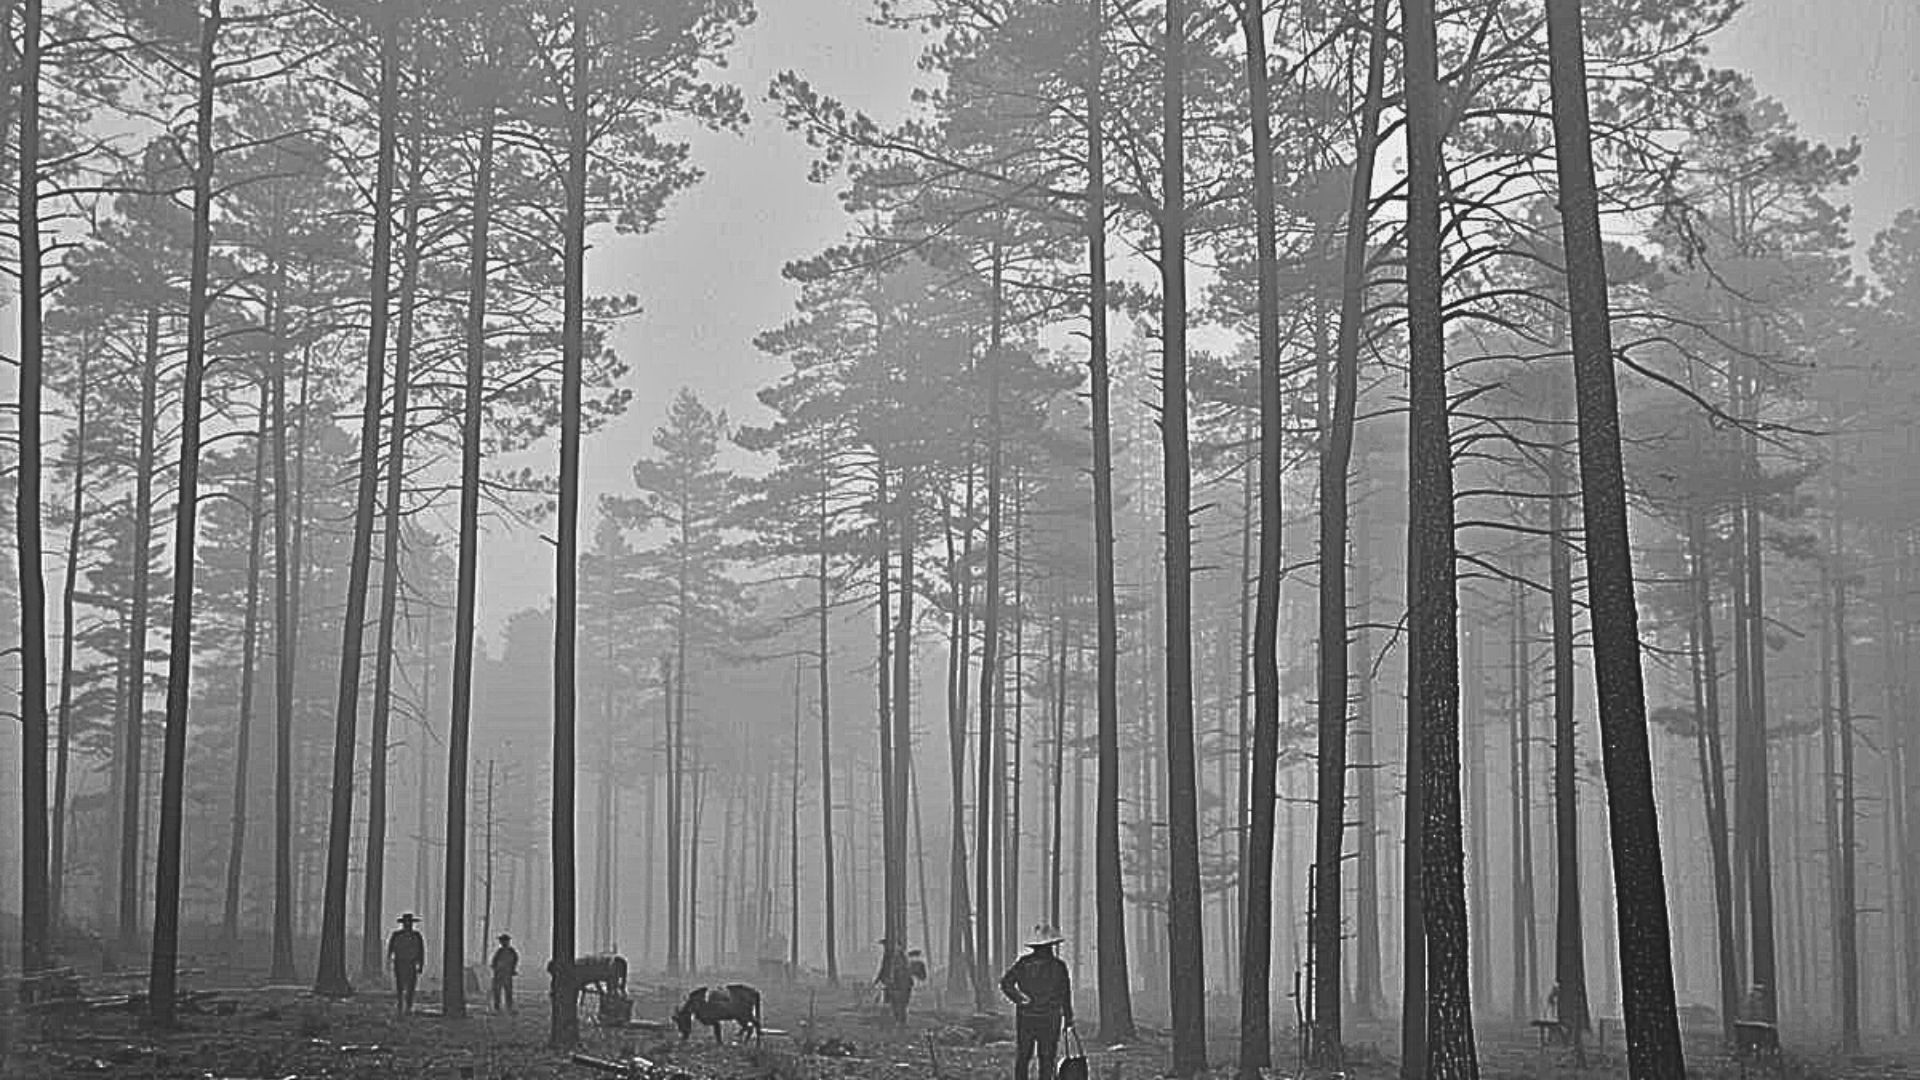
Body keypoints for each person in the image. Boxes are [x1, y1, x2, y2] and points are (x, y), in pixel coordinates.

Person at [1000, 924, 1074, 1080]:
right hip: (1050, 1018)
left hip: (1028, 1016)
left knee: (1024, 1056)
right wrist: (1068, 1018)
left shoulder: (1023, 963)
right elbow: (1065, 994)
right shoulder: (1059, 966)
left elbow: (1006, 983)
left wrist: (1020, 999)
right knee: (1046, 1058)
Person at [386, 913, 426, 1016]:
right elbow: (391, 949)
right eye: (406, 923)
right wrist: (389, 960)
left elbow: (421, 951)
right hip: (400, 962)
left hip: (411, 963)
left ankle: (408, 1005)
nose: (408, 925)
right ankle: (400, 1003)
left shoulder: (416, 936)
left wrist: (420, 964)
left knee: (411, 985)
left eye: (409, 923)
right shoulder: (396, 935)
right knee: (400, 984)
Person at [874, 938, 914, 1025]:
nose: (896, 948)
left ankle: (901, 1020)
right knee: (895, 1002)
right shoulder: (891, 957)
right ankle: (898, 1019)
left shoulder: (902, 957)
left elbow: (904, 970)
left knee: (901, 1002)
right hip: (896, 983)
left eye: (898, 946)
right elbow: (885, 969)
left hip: (902, 984)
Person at [489, 933, 519, 1013]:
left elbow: (515, 961)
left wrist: (512, 969)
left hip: (505, 974)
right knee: (498, 991)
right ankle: (498, 1006)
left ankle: (507, 1006)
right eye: (501, 941)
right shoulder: (500, 951)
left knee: (507, 991)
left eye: (502, 941)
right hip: (500, 973)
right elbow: (494, 961)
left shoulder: (510, 951)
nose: (501, 943)